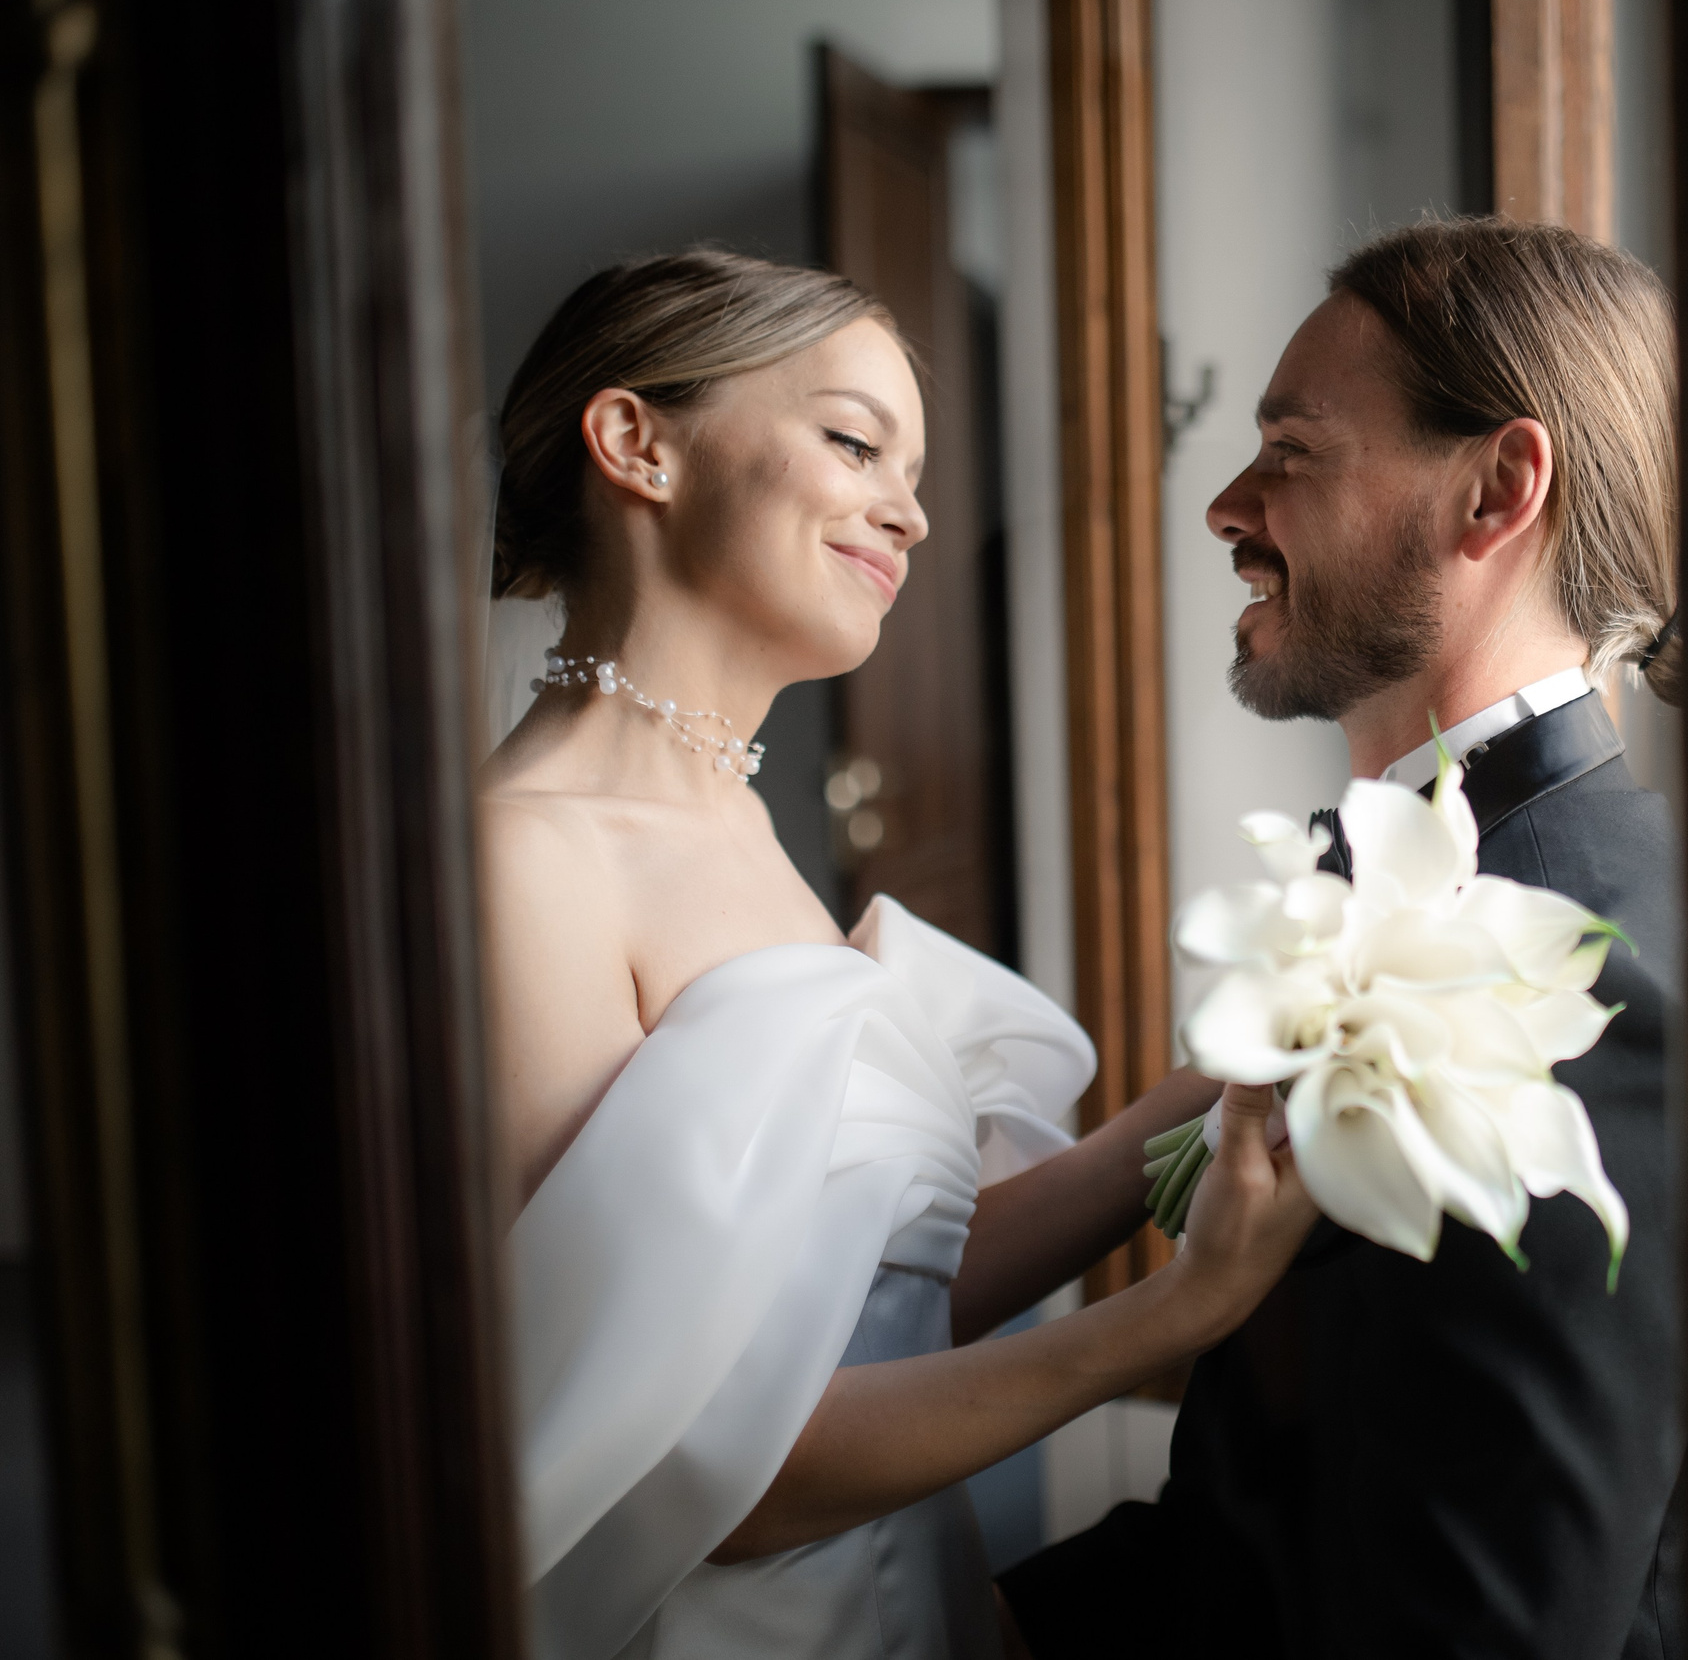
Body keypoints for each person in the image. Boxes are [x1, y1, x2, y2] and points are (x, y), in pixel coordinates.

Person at [477, 248, 1316, 1660]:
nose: (913, 516)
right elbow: (688, 1471)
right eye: (856, 444)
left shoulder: (733, 822)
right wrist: (1171, 1316)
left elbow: (861, 1293)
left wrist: (1220, 1093)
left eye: (913, 474)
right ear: (635, 444)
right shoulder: (520, 864)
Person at [999, 218, 1687, 1659]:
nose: (1225, 509)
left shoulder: (1562, 977)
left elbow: (1488, 1629)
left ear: (1496, 490)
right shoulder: (1450, 878)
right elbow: (1284, 1513)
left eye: (1291, 452)